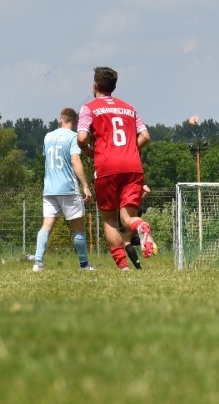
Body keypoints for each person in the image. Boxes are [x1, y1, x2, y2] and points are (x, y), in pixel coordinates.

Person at [77, 66, 154, 270]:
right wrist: (127, 148)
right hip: (132, 166)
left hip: (107, 167)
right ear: (113, 86)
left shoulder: (89, 108)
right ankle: (141, 226)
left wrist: (87, 150)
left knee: (109, 219)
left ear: (95, 85)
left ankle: (123, 267)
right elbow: (145, 136)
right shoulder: (129, 107)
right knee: (127, 218)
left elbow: (82, 137)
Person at [32, 108, 95, 271]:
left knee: (46, 226)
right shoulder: (73, 137)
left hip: (49, 189)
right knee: (78, 228)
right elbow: (75, 160)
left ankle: (38, 262)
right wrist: (85, 185)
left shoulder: (48, 136)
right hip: (67, 188)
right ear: (74, 122)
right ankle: (84, 265)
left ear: (61, 119)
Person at [119, 184, 151, 270]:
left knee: (126, 242)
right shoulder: (136, 180)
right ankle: (143, 240)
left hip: (125, 209)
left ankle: (139, 268)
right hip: (136, 207)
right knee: (130, 238)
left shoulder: (123, 183)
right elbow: (147, 190)